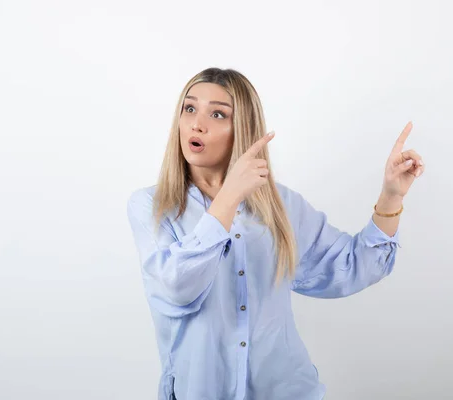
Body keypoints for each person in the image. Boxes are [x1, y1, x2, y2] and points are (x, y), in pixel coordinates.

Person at [125, 67, 424, 400]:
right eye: (190, 108)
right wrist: (228, 198)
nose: (197, 123)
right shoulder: (151, 207)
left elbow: (353, 267)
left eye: (218, 114)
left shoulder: (282, 205)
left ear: (243, 129)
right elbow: (177, 289)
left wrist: (391, 195)